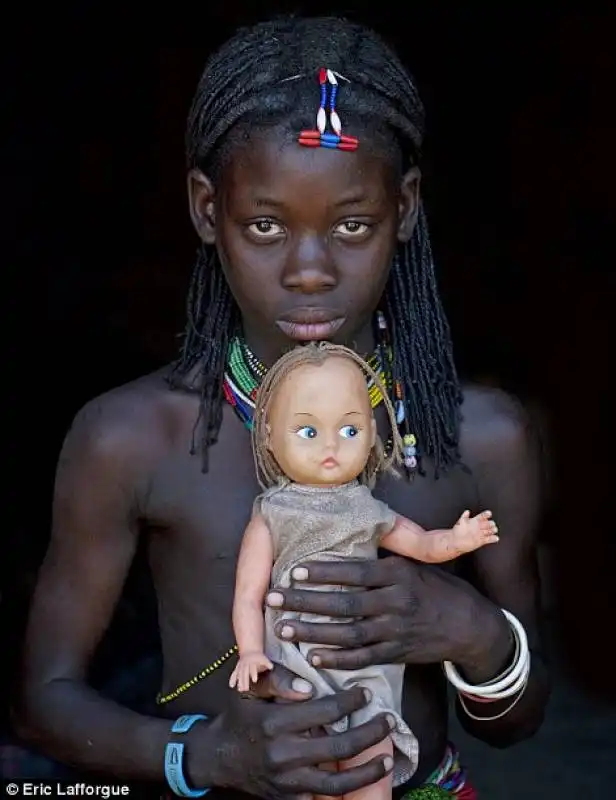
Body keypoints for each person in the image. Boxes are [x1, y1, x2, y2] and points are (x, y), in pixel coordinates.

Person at [16, 15, 549, 800]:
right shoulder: (133, 438)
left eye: (352, 225)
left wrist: (473, 634)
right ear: (206, 210)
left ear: (404, 209)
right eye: (265, 225)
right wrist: (205, 757)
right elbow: (42, 701)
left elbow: (519, 719)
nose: (308, 269)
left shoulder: (483, 439)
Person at [229, 342, 501, 800]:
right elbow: (248, 595)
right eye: (308, 433)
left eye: (350, 430)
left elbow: (420, 543)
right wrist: (251, 652)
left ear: (373, 435)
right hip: (297, 666)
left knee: (370, 757)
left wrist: (457, 540)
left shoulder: (369, 510)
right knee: (305, 762)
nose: (332, 446)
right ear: (270, 435)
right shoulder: (272, 513)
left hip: (366, 669)